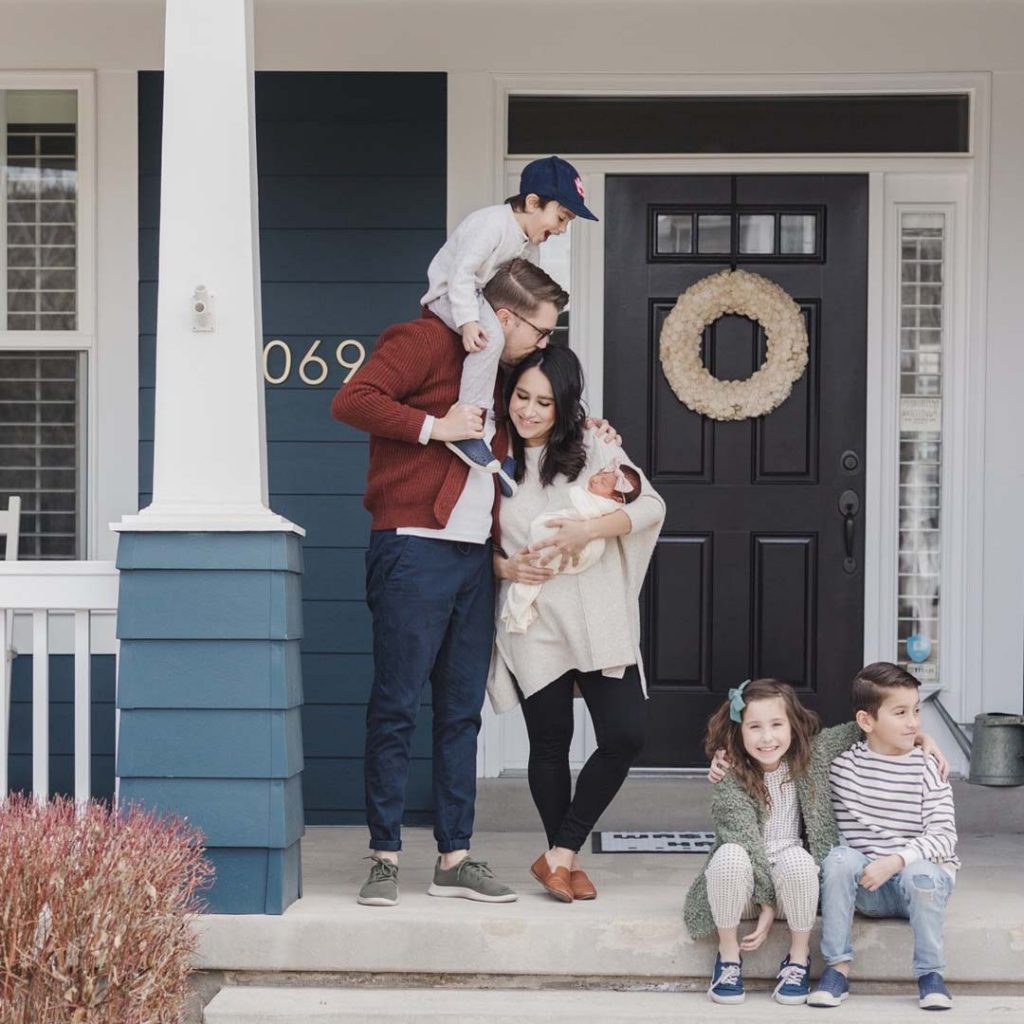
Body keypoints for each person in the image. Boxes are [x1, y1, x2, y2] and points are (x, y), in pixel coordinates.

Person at [331, 258, 568, 908]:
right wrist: (436, 428)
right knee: (397, 706)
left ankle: (454, 858)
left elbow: (533, 433)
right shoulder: (425, 340)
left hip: (472, 559)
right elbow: (351, 399)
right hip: (412, 549)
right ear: (504, 316)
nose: (544, 344)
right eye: (540, 331)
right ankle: (384, 856)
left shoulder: (503, 377)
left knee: (460, 714)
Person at [487, 344, 666, 903]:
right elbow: (473, 544)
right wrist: (503, 565)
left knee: (625, 735)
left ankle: (559, 854)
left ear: (565, 406)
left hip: (598, 612)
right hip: (536, 619)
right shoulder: (487, 457)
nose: (530, 411)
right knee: (550, 743)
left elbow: (650, 506)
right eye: (522, 397)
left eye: (545, 401)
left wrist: (588, 531)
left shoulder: (592, 447)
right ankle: (564, 859)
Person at [692, 679, 951, 1006]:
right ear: (738, 732)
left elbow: (864, 728)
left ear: (793, 726)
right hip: (741, 888)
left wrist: (921, 736)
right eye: (754, 727)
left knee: (801, 860)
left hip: (792, 886)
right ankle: (728, 958)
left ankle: (798, 960)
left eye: (776, 724)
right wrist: (767, 905)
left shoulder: (810, 757)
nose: (767, 737)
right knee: (730, 856)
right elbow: (747, 845)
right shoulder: (731, 776)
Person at [421, 155, 597, 487]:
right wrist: (469, 322)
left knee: (516, 357)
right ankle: (470, 428)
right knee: (492, 340)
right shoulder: (492, 224)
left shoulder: (527, 243)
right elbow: (461, 273)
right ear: (533, 202)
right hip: (450, 295)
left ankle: (502, 447)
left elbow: (525, 286)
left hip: (478, 297)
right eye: (561, 217)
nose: (561, 229)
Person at [808, 662, 959, 1011]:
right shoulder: (841, 767)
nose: (914, 723)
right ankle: (837, 970)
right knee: (838, 859)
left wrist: (895, 861)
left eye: (916, 711)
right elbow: (781, 750)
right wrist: (724, 760)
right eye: (901, 712)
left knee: (921, 873)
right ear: (866, 721)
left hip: (919, 887)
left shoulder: (928, 767)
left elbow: (944, 836)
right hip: (867, 886)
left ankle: (931, 976)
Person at [501, 459, 641, 634]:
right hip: (547, 620)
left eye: (603, 482)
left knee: (545, 539)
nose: (596, 479)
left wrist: (586, 529)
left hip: (585, 600)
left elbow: (652, 507)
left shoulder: (608, 500)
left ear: (616, 498)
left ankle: (530, 579)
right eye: (598, 473)